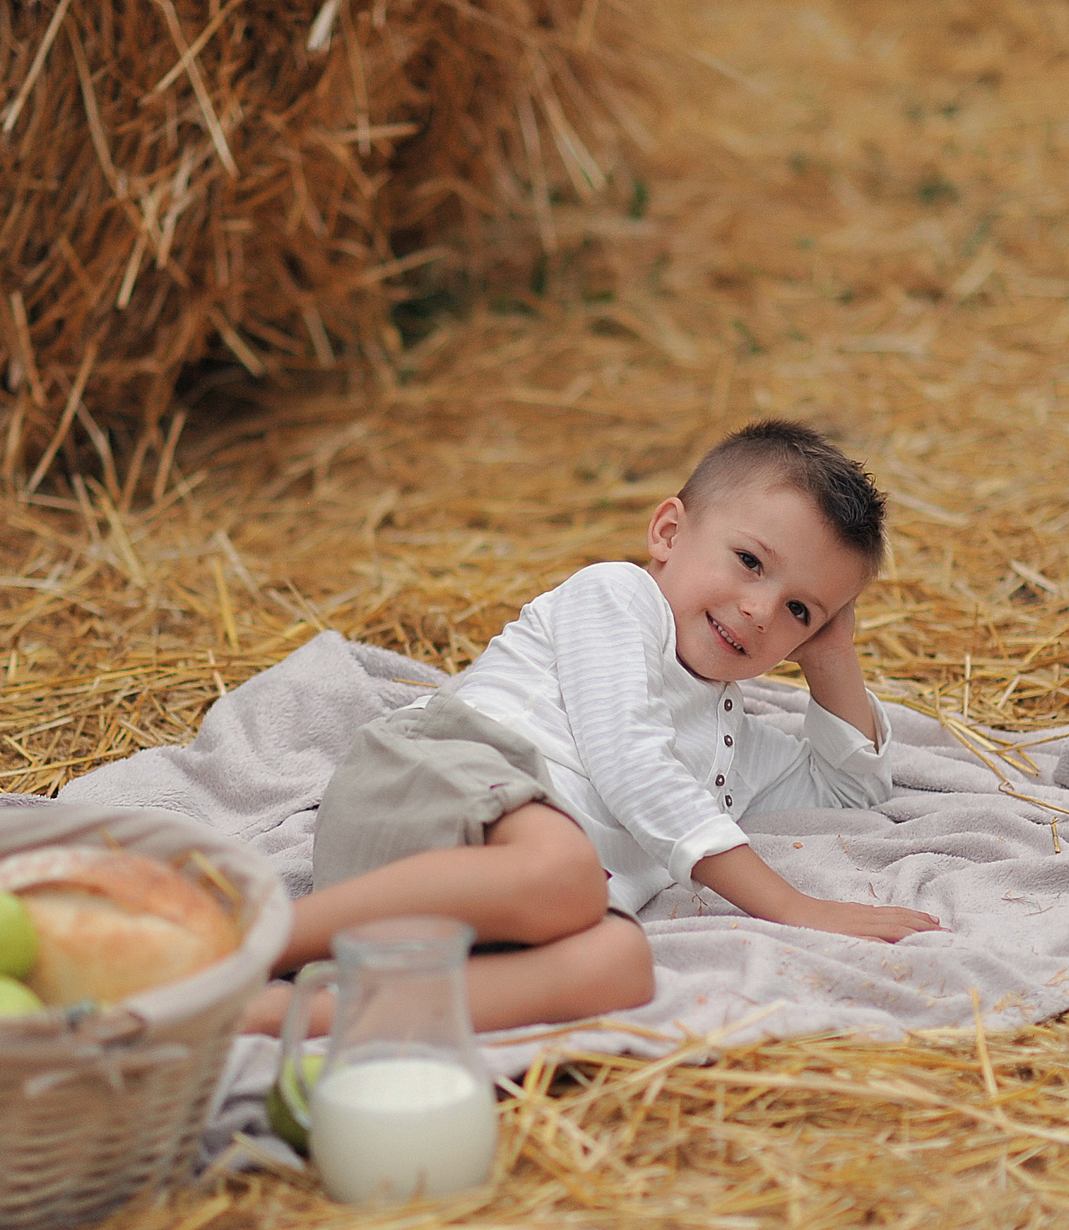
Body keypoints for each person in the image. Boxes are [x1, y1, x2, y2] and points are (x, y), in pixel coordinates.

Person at [242, 420, 941, 1036]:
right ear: (668, 533)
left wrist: (831, 655)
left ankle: (289, 1016)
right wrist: (790, 904)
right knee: (563, 871)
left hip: (494, 913)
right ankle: (248, 944)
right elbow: (632, 762)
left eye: (799, 610)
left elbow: (850, 794)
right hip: (430, 796)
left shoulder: (733, 738)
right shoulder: (617, 597)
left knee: (620, 962)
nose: (762, 610)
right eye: (750, 562)